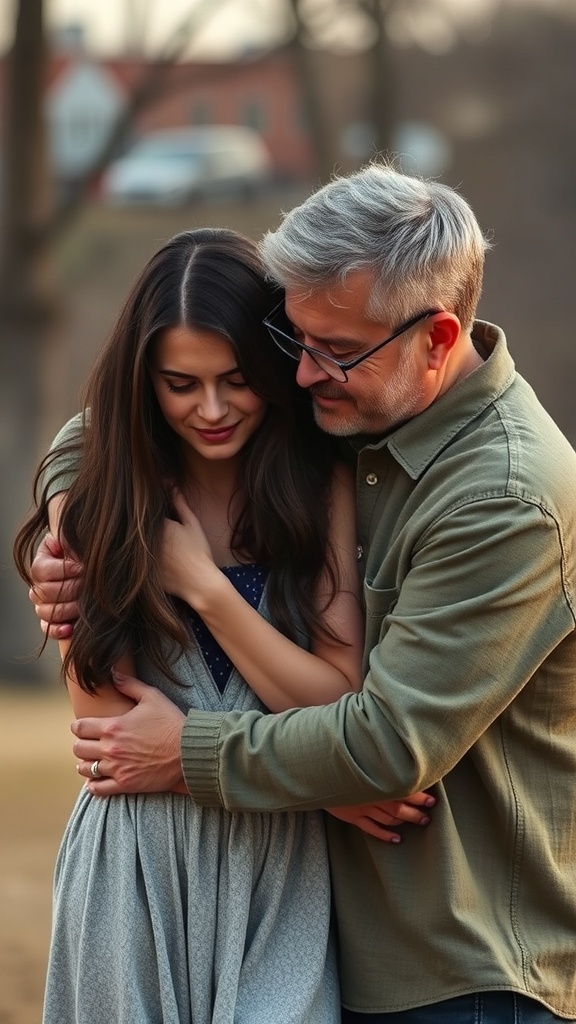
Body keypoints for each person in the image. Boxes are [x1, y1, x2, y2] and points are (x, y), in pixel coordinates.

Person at [26, 164, 576, 1023]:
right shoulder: (356, 407)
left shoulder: (502, 498)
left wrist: (183, 749)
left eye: (335, 350)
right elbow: (115, 416)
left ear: (436, 339)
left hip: (465, 973)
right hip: (325, 930)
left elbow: (382, 749)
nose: (308, 374)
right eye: (296, 342)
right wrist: (67, 520)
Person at [14, 225, 433, 1024]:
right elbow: (108, 740)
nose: (211, 409)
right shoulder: (100, 499)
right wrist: (317, 778)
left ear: (273, 369)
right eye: (180, 384)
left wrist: (205, 588)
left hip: (283, 873)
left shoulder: (316, 484)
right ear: (145, 382)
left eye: (237, 380)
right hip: (133, 868)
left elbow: (337, 694)